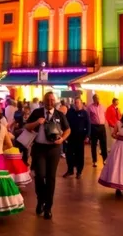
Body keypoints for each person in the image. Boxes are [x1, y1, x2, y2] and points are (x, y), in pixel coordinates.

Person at [25, 92, 70, 220]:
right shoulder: (37, 112)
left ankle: (48, 207)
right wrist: (37, 123)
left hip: (54, 149)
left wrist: (62, 139)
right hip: (39, 148)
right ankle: (40, 200)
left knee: (50, 178)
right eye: (47, 99)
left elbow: (68, 129)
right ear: (43, 100)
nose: (50, 102)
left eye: (52, 100)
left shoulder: (59, 114)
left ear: (54, 101)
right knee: (39, 176)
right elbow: (27, 126)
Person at [64, 98, 90, 178]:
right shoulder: (70, 112)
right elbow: (65, 123)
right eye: (75, 102)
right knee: (69, 155)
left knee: (80, 155)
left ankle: (79, 172)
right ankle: (70, 170)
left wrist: (87, 136)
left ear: (81, 104)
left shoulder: (85, 113)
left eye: (78, 102)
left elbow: (88, 125)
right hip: (71, 137)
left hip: (80, 138)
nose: (76, 104)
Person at [87, 94, 107, 167]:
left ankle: (105, 159)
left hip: (102, 127)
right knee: (94, 145)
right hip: (94, 127)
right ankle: (94, 161)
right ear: (93, 99)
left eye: (98, 98)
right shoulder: (90, 107)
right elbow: (88, 118)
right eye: (95, 98)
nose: (97, 99)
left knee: (103, 144)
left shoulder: (103, 107)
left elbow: (104, 115)